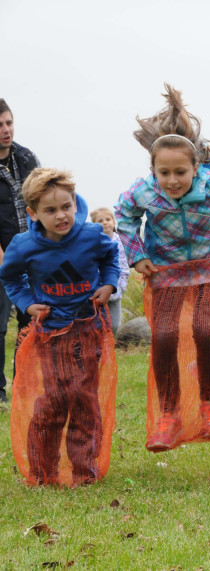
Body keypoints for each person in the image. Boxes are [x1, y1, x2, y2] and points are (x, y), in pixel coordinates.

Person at [115, 84, 210, 452]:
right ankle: (168, 416)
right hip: (167, 271)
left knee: (202, 329)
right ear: (153, 171)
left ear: (195, 167)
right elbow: (123, 215)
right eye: (164, 173)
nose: (172, 181)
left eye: (180, 172)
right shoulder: (144, 191)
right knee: (164, 336)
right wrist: (136, 255)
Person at [0, 168, 119, 484]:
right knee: (52, 399)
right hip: (50, 332)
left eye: (66, 206)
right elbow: (10, 276)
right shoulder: (23, 245)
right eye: (50, 210)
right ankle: (42, 472)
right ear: (33, 213)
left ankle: (84, 471)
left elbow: (110, 260)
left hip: (89, 327)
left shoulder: (92, 235)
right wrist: (27, 303)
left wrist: (108, 285)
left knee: (83, 398)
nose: (61, 216)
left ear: (75, 202)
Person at [0, 98, 40, 402]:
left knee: (31, 323)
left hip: (31, 254)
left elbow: (41, 199)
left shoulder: (27, 157)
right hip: (1, 256)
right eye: (0, 125)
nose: (5, 130)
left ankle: (23, 387)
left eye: (9, 123)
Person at [90, 207, 129, 336]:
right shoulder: (93, 243)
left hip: (115, 289)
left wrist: (122, 285)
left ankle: (110, 344)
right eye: (100, 221)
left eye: (108, 219)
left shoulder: (120, 241)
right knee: (97, 323)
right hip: (97, 291)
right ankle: (98, 346)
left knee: (114, 324)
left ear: (113, 222)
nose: (105, 222)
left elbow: (124, 265)